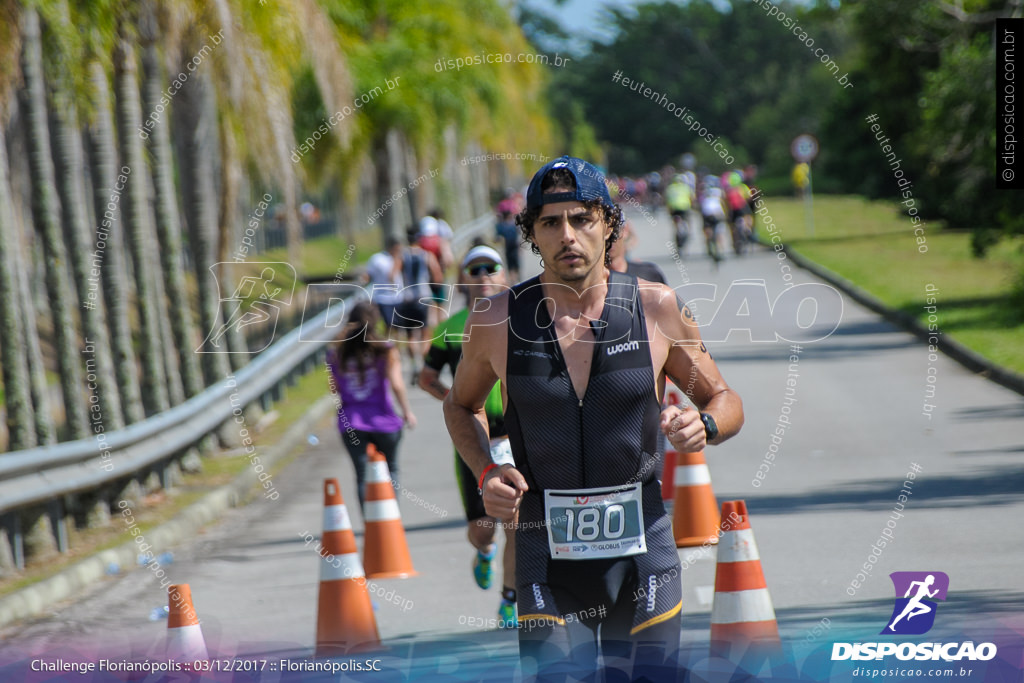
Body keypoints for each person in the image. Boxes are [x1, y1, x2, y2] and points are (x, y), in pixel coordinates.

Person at [443, 156, 744, 680]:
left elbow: (724, 399)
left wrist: (707, 425)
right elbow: (459, 405)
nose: (568, 235)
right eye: (550, 222)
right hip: (544, 553)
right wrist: (486, 473)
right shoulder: (495, 320)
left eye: (582, 218)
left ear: (609, 224)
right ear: (532, 234)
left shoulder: (656, 307)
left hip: (643, 549)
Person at [419, 245, 518, 628]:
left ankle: (509, 600)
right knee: (483, 530)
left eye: (490, 267)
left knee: (517, 524)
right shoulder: (451, 327)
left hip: (515, 438)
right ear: (463, 279)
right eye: (473, 269)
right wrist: (459, 404)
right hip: (474, 441)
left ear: (504, 274)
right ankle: (484, 552)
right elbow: (426, 378)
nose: (482, 276)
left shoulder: (524, 319)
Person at [326, 301, 416, 512]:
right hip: (384, 421)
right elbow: (396, 384)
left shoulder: (336, 354)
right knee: (391, 468)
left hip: (351, 421)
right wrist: (407, 412)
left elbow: (335, 388)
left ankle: (370, 524)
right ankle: (390, 521)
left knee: (362, 475)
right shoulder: (386, 350)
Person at [363, 237, 405, 334]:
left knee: (398, 327)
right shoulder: (377, 259)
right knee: (389, 325)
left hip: (399, 297)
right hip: (383, 298)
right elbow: (389, 276)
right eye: (396, 249)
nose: (398, 251)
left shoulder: (400, 258)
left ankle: (395, 346)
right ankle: (388, 345)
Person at [495, 190, 522, 282]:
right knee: (516, 259)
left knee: (509, 260)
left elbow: (498, 216)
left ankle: (513, 278)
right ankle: (517, 276)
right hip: (514, 242)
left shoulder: (501, 205)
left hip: (507, 243)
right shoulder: (512, 204)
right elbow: (517, 214)